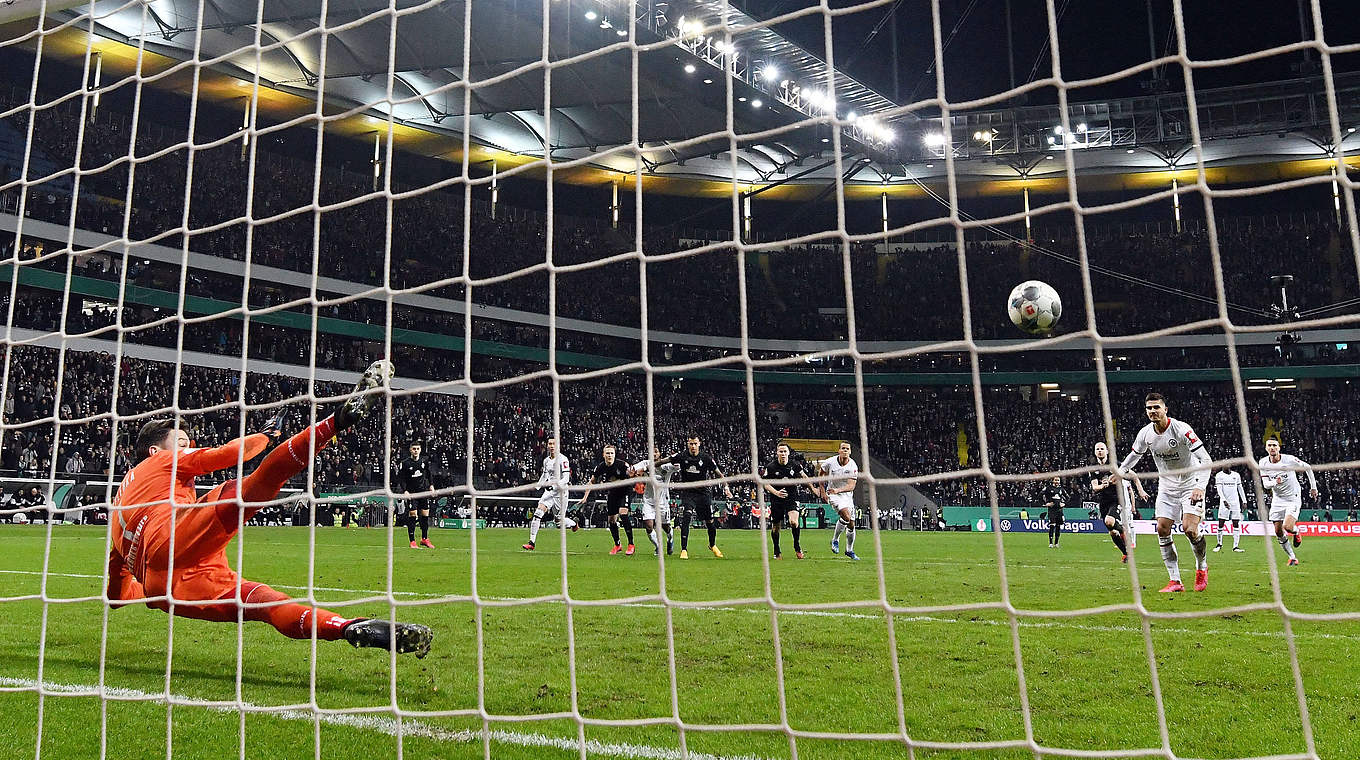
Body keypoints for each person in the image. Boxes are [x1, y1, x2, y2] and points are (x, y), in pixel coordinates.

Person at [105, 360, 432, 657]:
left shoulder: (117, 507)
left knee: (263, 604)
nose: (187, 447)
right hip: (175, 536)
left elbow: (117, 595)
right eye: (180, 443)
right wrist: (264, 436)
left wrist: (146, 591)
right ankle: (336, 421)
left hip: (167, 588)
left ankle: (348, 627)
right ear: (153, 450)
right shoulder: (160, 461)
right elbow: (225, 454)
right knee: (257, 482)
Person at [1115, 392, 1212, 593]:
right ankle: (1175, 581)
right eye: (1149, 408)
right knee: (1162, 529)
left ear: (1165, 409)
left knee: (1190, 530)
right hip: (1167, 487)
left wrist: (1199, 487)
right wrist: (1120, 472)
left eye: (1156, 407)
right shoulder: (1145, 434)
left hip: (1190, 484)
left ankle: (1202, 568)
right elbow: (1134, 455)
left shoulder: (1182, 429)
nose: (1152, 411)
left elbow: (1206, 460)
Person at [1257, 437, 1318, 567]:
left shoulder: (1289, 460)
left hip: (1293, 498)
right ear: (1266, 448)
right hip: (1278, 499)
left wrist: (1313, 487)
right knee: (1278, 532)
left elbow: (1307, 467)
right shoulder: (1263, 463)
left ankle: (1296, 531)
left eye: (1274, 445)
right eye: (1269, 445)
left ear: (1279, 447)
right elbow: (1266, 485)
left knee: (1288, 527)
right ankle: (1292, 557)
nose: (1272, 448)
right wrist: (1275, 482)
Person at [670, 436, 735, 559]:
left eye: (695, 443)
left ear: (699, 444)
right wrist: (647, 467)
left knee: (710, 521)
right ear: (687, 444)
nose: (693, 446)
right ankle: (684, 550)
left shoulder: (706, 458)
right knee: (687, 516)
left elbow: (720, 474)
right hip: (688, 493)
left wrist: (726, 487)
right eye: (691, 443)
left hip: (703, 493)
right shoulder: (682, 456)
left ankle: (712, 545)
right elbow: (665, 460)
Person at [1091, 442, 1145, 562]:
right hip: (1104, 502)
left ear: (1107, 451)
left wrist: (1140, 490)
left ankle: (1123, 531)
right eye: (1097, 449)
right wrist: (1104, 485)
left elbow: (1134, 475)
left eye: (1102, 449)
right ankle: (1126, 554)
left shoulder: (1116, 465)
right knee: (1112, 532)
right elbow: (1095, 487)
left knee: (1109, 521)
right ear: (1095, 452)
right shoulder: (1093, 468)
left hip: (1117, 499)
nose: (1100, 451)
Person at [578, 444, 635, 555]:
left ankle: (631, 544)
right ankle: (618, 545)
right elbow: (592, 481)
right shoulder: (600, 467)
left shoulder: (622, 465)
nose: (609, 455)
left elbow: (632, 474)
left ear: (615, 454)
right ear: (604, 455)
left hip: (625, 491)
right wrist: (585, 497)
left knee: (623, 514)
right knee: (612, 520)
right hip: (613, 492)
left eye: (611, 453)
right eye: (607, 453)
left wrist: (632, 476)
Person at [522, 437, 577, 551]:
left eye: (554, 444)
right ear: (547, 445)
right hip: (549, 492)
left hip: (561, 493)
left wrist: (555, 486)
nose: (552, 446)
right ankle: (531, 542)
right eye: (550, 444)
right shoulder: (546, 460)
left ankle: (573, 524)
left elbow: (566, 478)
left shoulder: (563, 459)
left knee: (559, 521)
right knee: (538, 513)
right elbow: (545, 475)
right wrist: (537, 486)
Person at [760, 442, 809, 559]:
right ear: (777, 453)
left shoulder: (795, 465)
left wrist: (812, 488)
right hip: (776, 498)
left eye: (784, 451)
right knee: (776, 527)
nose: (782, 453)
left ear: (788, 453)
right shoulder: (771, 467)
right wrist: (776, 492)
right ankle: (777, 550)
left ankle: (797, 547)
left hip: (792, 496)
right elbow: (765, 484)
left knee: (794, 522)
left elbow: (804, 477)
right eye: (780, 451)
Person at [629, 446, 679, 556]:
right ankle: (658, 547)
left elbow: (679, 463)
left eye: (656, 451)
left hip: (663, 502)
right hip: (648, 500)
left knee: (665, 526)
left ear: (660, 454)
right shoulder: (645, 463)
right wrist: (632, 472)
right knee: (648, 526)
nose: (653, 453)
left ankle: (670, 538)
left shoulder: (667, 466)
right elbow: (632, 469)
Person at [820, 441, 861, 561]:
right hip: (833, 494)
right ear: (838, 451)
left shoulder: (853, 466)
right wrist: (822, 490)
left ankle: (849, 550)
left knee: (851, 525)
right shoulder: (830, 462)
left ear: (850, 451)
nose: (845, 450)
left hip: (846, 495)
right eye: (843, 448)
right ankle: (835, 540)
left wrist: (839, 490)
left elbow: (851, 486)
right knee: (846, 516)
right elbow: (821, 473)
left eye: (847, 449)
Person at [394, 441, 434, 549]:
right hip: (411, 493)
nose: (416, 451)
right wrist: (405, 490)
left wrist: (431, 485)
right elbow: (401, 478)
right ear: (410, 450)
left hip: (423, 491)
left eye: (417, 449)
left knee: (425, 514)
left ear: (420, 450)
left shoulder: (424, 461)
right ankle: (412, 541)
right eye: (414, 449)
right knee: (413, 514)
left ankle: (424, 539)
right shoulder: (406, 463)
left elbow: (429, 473)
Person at [1212, 467, 1248, 553]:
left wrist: (1244, 501)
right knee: (1221, 523)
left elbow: (1240, 488)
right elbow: (1219, 490)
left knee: (1236, 523)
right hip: (1224, 502)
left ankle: (1235, 546)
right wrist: (1224, 500)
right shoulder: (1219, 475)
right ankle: (1219, 544)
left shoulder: (1236, 475)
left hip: (1235, 502)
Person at [1043, 476, 1065, 549]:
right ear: (1053, 481)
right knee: (1052, 525)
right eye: (1055, 480)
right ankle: (1050, 543)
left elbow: (1068, 497)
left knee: (1058, 526)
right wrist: (1046, 503)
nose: (1057, 481)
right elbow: (1040, 495)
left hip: (1059, 510)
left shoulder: (1061, 489)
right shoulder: (1048, 488)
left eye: (1058, 480)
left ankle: (1056, 543)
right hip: (1052, 510)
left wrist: (1064, 503)